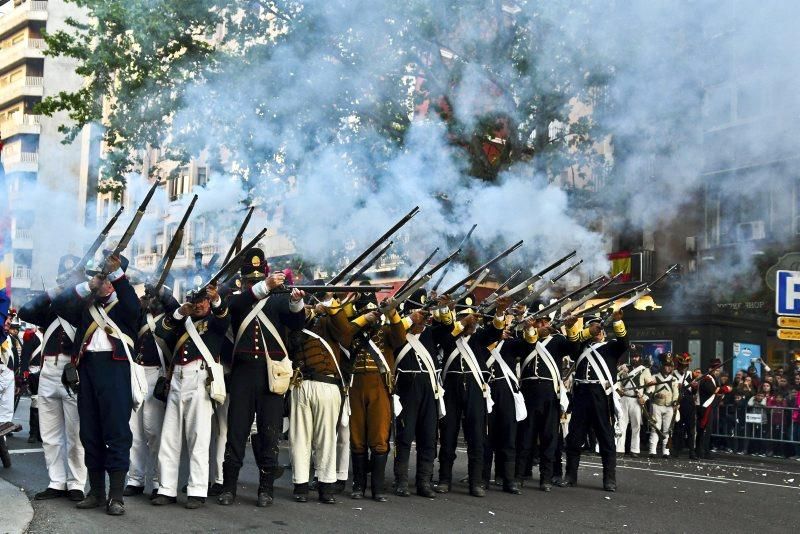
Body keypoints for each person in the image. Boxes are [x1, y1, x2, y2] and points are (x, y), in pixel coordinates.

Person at [52, 255, 140, 515]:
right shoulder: (86, 305)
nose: (99, 280)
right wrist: (87, 286)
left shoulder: (124, 303)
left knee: (116, 433)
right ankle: (97, 492)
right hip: (88, 371)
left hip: (115, 370)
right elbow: (59, 305)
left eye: (103, 277)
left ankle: (116, 496)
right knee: (90, 433)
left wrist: (117, 275)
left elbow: (134, 309)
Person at [217, 249, 305, 507]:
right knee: (236, 432)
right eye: (249, 280)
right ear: (244, 281)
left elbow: (297, 323)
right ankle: (229, 488)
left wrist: (297, 302)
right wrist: (263, 287)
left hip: (271, 374)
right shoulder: (237, 299)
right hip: (243, 373)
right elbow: (232, 308)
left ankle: (266, 489)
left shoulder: (278, 300)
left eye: (257, 278)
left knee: (270, 433)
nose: (252, 283)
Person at [152, 284, 229, 509]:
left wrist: (216, 300)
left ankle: (197, 490)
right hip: (176, 378)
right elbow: (161, 331)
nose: (199, 304)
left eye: (204, 300)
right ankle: (166, 488)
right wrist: (179, 312)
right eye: (196, 300)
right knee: (169, 437)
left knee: (199, 437)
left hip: (200, 379)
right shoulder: (181, 322)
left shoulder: (216, 321)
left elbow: (224, 316)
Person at [286, 290, 356, 504]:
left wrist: (330, 305)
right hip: (301, 383)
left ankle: (327, 485)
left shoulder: (328, 321)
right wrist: (304, 309)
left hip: (327, 383)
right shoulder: (294, 322)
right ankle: (300, 484)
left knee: (327, 438)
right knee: (299, 438)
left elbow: (346, 332)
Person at [433, 298, 506, 497]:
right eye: (468, 319)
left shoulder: (479, 338)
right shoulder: (449, 336)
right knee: (448, 437)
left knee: (477, 437)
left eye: (473, 319)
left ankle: (476, 482)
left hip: (475, 390)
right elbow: (446, 341)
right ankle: (444, 479)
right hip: (451, 389)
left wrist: (500, 311)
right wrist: (461, 324)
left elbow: (496, 332)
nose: (472, 323)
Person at [562, 310, 628, 492]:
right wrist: (575, 328)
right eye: (592, 328)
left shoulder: (611, 346)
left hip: (601, 395)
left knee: (606, 438)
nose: (597, 331)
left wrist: (617, 322)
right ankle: (570, 476)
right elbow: (573, 342)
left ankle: (609, 479)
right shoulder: (579, 348)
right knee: (574, 438)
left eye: (598, 328)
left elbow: (624, 342)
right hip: (582, 394)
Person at [509, 313, 575, 492]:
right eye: (538, 322)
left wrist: (570, 327)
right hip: (529, 391)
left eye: (545, 321)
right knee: (524, 437)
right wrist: (529, 330)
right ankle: (519, 476)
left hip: (549, 392)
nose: (543, 324)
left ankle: (546, 478)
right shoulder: (525, 340)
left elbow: (573, 347)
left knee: (549, 438)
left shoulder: (558, 341)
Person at [124, 287, 179, 498]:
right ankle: (135, 479)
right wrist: (142, 301)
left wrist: (163, 292)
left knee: (155, 432)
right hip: (137, 373)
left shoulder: (171, 316)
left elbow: (175, 307)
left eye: (155, 295)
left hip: (158, 374)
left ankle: (159, 480)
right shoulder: (141, 315)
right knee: (135, 432)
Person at [390, 291, 442, 499]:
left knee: (429, 438)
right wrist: (408, 320)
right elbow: (392, 330)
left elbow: (449, 329)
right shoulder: (397, 334)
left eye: (425, 316)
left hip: (430, 390)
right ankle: (401, 481)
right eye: (418, 315)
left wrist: (443, 307)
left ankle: (424, 482)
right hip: (406, 392)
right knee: (404, 437)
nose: (423, 320)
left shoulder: (431, 334)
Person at [615, 351, 653, 457]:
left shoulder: (645, 370)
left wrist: (644, 398)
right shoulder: (624, 368)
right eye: (632, 357)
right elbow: (617, 379)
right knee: (621, 424)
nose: (634, 359)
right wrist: (618, 389)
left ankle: (635, 450)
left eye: (636, 357)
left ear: (640, 357)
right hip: (624, 398)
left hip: (636, 400)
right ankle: (620, 449)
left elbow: (650, 386)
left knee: (636, 426)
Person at [695, 358, 730, 460]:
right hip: (705, 408)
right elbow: (712, 391)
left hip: (710, 408)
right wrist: (725, 389)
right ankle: (702, 451)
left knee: (705, 431)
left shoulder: (714, 379)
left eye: (718, 370)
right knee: (704, 431)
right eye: (716, 369)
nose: (717, 372)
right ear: (710, 369)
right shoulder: (707, 379)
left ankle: (703, 451)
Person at [647, 354, 679, 458]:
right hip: (657, 405)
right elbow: (650, 391)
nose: (668, 368)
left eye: (670, 366)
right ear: (662, 365)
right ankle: (652, 451)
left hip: (669, 407)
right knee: (655, 428)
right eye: (666, 365)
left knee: (667, 430)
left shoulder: (674, 379)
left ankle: (666, 452)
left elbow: (676, 393)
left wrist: (675, 402)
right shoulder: (655, 377)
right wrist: (656, 394)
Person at [672, 352, 698, 459]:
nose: (683, 367)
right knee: (678, 428)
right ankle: (676, 451)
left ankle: (692, 452)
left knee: (691, 429)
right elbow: (673, 386)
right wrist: (681, 385)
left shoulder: (690, 374)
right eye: (681, 365)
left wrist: (695, 386)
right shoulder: (673, 374)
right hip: (678, 402)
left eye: (685, 365)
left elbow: (694, 391)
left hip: (688, 402)